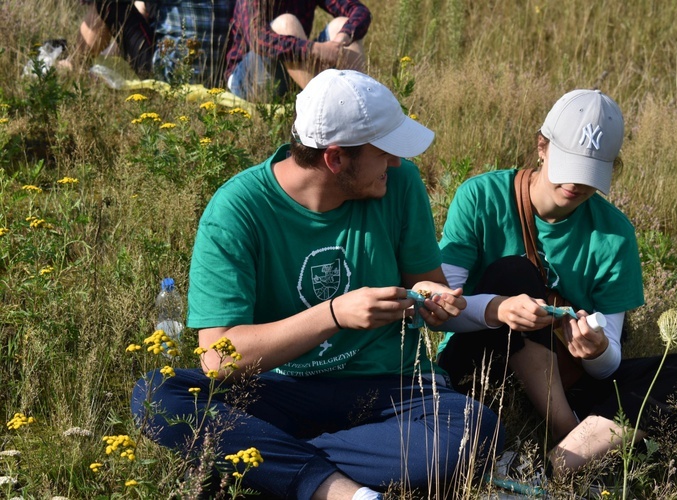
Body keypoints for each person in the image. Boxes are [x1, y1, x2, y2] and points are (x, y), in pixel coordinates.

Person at [131, 69, 502, 499]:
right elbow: (218, 358)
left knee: (473, 430)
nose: (397, 162)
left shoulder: (399, 185)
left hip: (388, 388)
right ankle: (339, 490)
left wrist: (432, 299)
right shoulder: (238, 210)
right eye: (384, 152)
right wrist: (334, 315)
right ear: (335, 158)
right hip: (276, 388)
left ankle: (260, 464)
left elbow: (425, 281)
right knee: (158, 395)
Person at [435, 89, 677, 479]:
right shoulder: (481, 197)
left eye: (590, 172)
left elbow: (606, 364)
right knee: (514, 275)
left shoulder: (615, 234)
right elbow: (441, 311)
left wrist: (596, 350)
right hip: (482, 364)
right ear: (541, 146)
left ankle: (547, 468)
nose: (575, 183)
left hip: (565, 374)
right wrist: (498, 309)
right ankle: (571, 434)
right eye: (569, 164)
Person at [61, 0, 234, 87]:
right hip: (220, 75)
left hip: (169, 73)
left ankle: (74, 64)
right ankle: (106, 58)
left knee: (107, 2)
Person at [225, 0, 371, 101]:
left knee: (342, 25)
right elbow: (259, 40)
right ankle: (324, 107)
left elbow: (359, 11)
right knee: (286, 23)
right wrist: (314, 49)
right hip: (246, 78)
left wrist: (341, 38)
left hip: (297, 71)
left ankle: (362, 103)